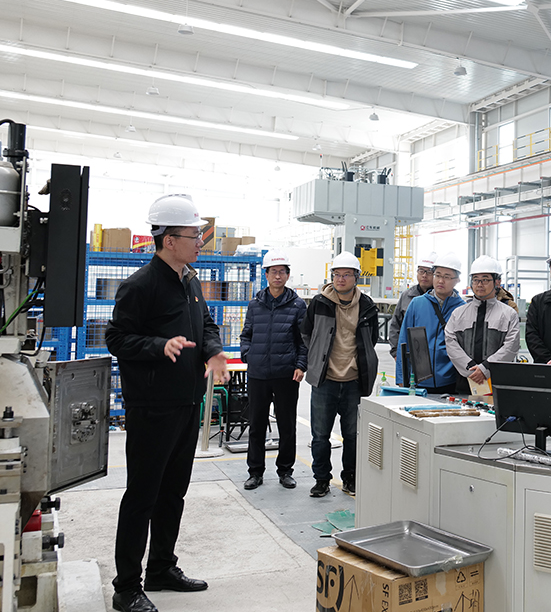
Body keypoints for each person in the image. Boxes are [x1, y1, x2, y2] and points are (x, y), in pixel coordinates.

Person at [106, 194, 228, 612]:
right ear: (169, 240)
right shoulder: (140, 285)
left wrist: (214, 351)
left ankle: (160, 568)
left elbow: (206, 324)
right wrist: (160, 346)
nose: (201, 241)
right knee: (142, 496)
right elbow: (117, 338)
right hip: (152, 407)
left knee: (173, 493)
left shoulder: (189, 281)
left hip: (187, 402)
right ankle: (126, 587)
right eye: (195, 235)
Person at [301, 252, 380, 498]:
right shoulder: (319, 303)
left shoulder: (367, 306)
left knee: (352, 436)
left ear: (356, 277)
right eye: (337, 274)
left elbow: (371, 339)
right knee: (320, 436)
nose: (341, 279)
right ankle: (321, 480)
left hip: (354, 381)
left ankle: (351, 478)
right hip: (325, 380)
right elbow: (306, 333)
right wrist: (319, 357)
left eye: (346, 274)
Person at [239, 250, 308, 491]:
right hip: (258, 374)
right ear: (266, 275)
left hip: (286, 374)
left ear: (288, 275)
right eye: (273, 272)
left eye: (282, 272)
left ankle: (285, 471)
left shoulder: (298, 305)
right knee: (256, 425)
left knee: (287, 425)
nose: (277, 276)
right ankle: (255, 472)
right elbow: (246, 334)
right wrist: (248, 354)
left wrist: (300, 365)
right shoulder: (255, 304)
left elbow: (303, 340)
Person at [444, 255, 521, 393]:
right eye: (476, 280)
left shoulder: (509, 314)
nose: (479, 284)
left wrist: (485, 368)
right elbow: (450, 343)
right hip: (466, 380)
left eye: (485, 279)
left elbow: (511, 346)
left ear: (497, 282)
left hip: (497, 381)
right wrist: (471, 369)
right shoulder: (458, 313)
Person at [396, 252, 466, 393]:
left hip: (451, 381)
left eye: (447, 277)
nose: (441, 281)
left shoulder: (462, 308)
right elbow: (404, 341)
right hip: (418, 380)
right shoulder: (417, 304)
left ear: (457, 280)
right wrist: (401, 377)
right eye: (438, 275)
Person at [390, 252, 436, 359]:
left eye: (429, 272)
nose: (424, 275)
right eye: (421, 271)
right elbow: (395, 325)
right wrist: (395, 352)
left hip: (432, 355)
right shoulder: (407, 296)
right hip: (408, 353)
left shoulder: (440, 298)